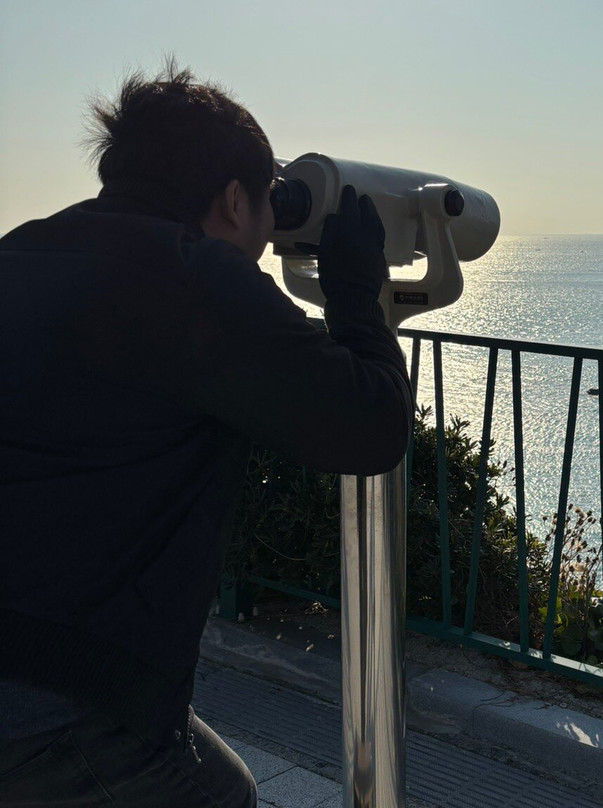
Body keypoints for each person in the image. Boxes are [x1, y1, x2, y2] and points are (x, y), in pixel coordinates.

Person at [0, 62, 412, 805]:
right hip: (52, 703)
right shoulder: (192, 280)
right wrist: (356, 293)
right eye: (268, 206)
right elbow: (370, 426)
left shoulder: (23, 250)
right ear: (231, 200)